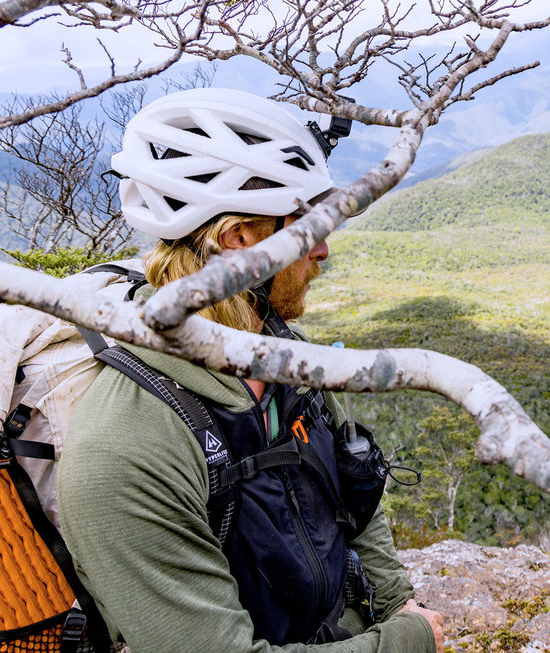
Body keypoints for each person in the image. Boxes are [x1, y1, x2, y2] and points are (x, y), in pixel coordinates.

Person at [55, 88, 444, 652]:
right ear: (240, 238)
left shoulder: (281, 356)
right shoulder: (125, 451)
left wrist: (396, 600)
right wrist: (409, 640)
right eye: (307, 223)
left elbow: (350, 495)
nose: (323, 250)